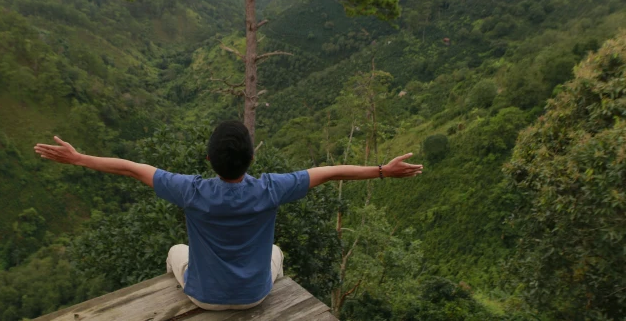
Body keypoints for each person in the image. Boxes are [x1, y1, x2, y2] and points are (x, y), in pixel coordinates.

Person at [34, 120, 422, 311]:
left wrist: (78, 158)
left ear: (208, 160)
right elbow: (333, 170)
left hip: (204, 300)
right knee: (277, 252)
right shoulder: (271, 188)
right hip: (256, 295)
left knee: (175, 250)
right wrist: (384, 171)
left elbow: (132, 167)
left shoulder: (192, 191)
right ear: (253, 158)